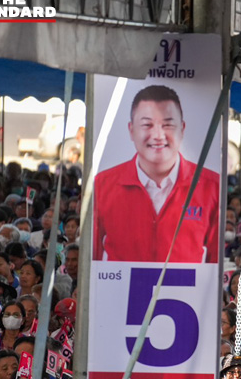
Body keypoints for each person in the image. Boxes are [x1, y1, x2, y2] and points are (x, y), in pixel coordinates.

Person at [93, 85, 220, 262]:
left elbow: (215, 263)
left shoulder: (211, 186)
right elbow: (92, 258)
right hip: (123, 281)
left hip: (186, 282)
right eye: (147, 125)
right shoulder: (103, 185)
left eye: (167, 125)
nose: (158, 135)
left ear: (182, 129)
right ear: (131, 130)